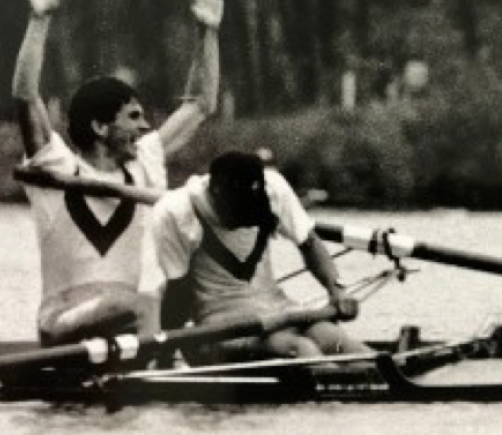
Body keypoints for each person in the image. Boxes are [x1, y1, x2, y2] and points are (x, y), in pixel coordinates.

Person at [12, 0, 223, 346]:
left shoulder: (143, 162)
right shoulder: (55, 167)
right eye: (134, 118)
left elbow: (200, 103)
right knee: (137, 301)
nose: (145, 127)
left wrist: (207, 31)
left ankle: (159, 354)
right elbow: (26, 96)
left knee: (178, 294)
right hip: (63, 322)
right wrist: (39, 19)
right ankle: (154, 352)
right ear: (99, 127)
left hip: (131, 318)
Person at [139, 151, 372, 361]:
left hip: (280, 309)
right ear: (216, 194)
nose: (244, 219)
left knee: (335, 339)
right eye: (239, 212)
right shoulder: (174, 212)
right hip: (221, 324)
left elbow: (309, 242)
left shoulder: (274, 187)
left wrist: (337, 290)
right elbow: (177, 294)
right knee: (301, 349)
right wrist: (165, 351)